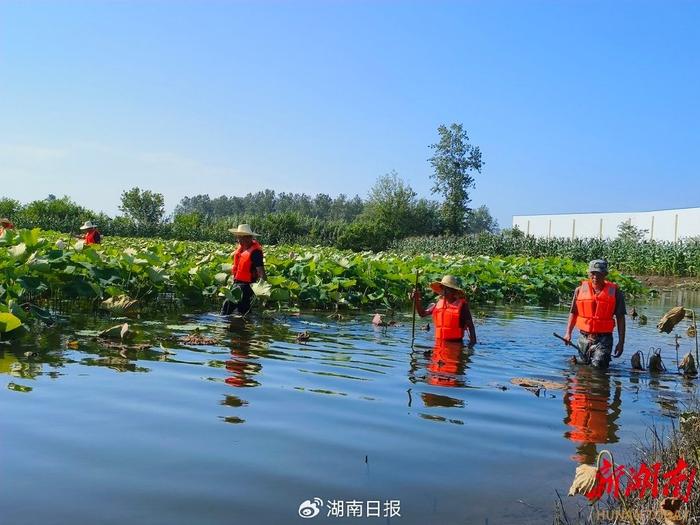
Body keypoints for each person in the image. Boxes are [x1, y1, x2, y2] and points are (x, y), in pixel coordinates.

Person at [562, 259, 626, 369]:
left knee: (598, 366)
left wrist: (621, 342)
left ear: (605, 274)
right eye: (593, 273)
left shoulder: (615, 292)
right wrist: (568, 333)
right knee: (584, 367)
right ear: (588, 274)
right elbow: (573, 312)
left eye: (599, 274)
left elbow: (620, 318)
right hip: (584, 337)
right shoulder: (579, 290)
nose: (595, 277)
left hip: (604, 339)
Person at [412, 275, 477, 346]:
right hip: (438, 344)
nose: (445, 291)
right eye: (443, 288)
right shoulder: (438, 304)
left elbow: (471, 326)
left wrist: (471, 345)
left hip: (456, 345)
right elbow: (422, 313)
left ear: (454, 291)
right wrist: (417, 300)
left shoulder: (462, 306)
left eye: (448, 289)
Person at [220, 224, 266, 316]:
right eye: (238, 237)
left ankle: (241, 326)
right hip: (237, 283)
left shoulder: (255, 252)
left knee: (233, 307)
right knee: (232, 308)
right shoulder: (241, 249)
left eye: (240, 237)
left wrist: (263, 290)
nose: (238, 240)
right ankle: (239, 326)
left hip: (247, 286)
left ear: (248, 238)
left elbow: (261, 272)